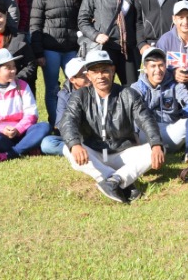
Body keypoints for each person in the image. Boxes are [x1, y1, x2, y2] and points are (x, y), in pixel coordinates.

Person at [60, 49, 165, 203]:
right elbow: (68, 121)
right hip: (94, 153)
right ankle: (120, 181)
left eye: (105, 71)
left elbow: (147, 120)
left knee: (157, 149)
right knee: (67, 149)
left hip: (122, 153)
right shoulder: (80, 96)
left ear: (113, 71)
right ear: (88, 75)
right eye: (95, 72)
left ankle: (114, 181)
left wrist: (156, 144)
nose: (100, 76)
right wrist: (75, 144)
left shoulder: (128, 94)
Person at [30, 0, 83, 128]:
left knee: (77, 86)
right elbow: (35, 24)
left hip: (71, 48)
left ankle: (77, 124)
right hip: (50, 49)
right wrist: (38, 52)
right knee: (52, 89)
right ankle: (57, 124)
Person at [0, 48, 51, 161]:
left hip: (22, 132)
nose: (13, 70)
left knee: (44, 126)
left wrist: (18, 129)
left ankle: (10, 153)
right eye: (8, 68)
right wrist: (2, 129)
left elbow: (31, 114)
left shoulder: (22, 85)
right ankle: (27, 147)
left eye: (13, 66)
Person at [78, 0, 139, 85]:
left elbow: (137, 21)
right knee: (104, 87)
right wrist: (95, 35)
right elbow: (82, 20)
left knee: (132, 88)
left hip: (127, 50)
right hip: (105, 48)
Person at [130, 47, 188, 161]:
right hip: (148, 135)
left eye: (161, 65)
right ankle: (141, 151)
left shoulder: (174, 84)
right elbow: (133, 117)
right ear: (145, 69)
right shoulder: (136, 88)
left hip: (170, 131)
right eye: (153, 66)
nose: (158, 70)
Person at [40, 57, 88, 156]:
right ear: (72, 79)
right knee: (47, 143)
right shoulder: (64, 95)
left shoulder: (100, 89)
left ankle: (84, 149)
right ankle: (78, 150)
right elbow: (60, 124)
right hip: (75, 134)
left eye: (89, 71)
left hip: (98, 135)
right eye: (83, 74)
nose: (89, 76)